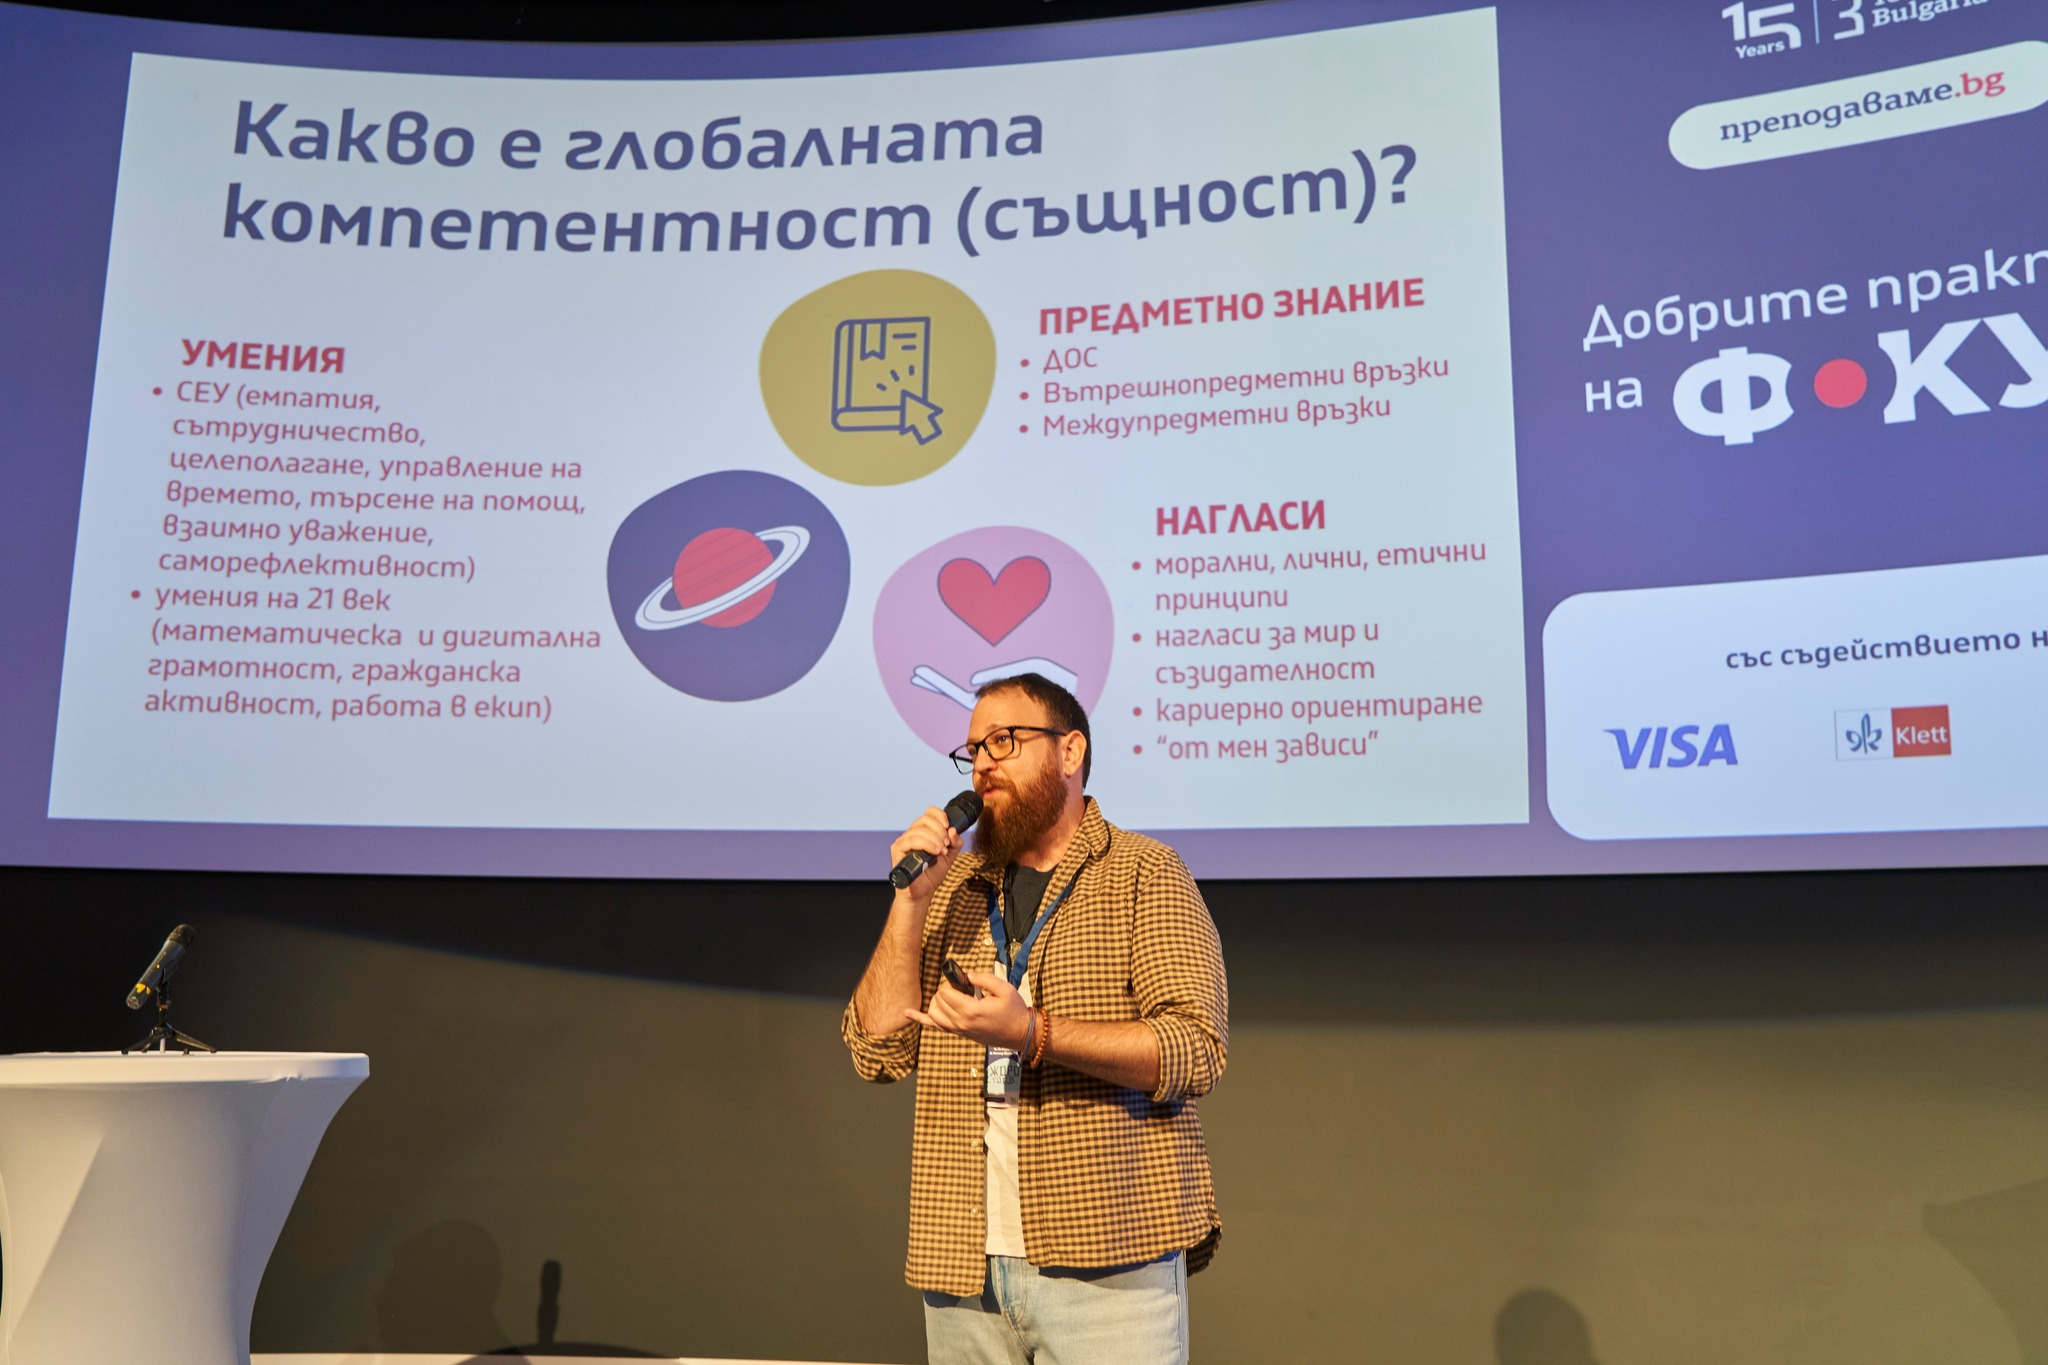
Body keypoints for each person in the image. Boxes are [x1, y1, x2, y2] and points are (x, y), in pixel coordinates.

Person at [843, 672, 1228, 1364]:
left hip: (1107, 1265)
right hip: (962, 1267)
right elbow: (876, 1051)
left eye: (1004, 741)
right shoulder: (951, 889)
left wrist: (1031, 1032)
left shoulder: (1144, 872)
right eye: (972, 750)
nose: (982, 765)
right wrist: (909, 903)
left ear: (1070, 750)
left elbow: (1194, 1049)